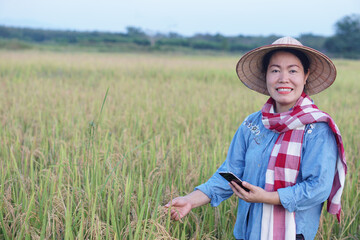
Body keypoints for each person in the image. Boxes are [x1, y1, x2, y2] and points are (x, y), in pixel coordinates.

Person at [164, 37, 347, 240]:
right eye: (275, 70)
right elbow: (230, 173)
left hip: (293, 233)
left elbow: (318, 188)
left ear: (306, 76)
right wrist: (190, 200)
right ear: (266, 76)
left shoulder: (317, 128)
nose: (283, 78)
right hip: (249, 231)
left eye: (293, 70)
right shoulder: (252, 124)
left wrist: (267, 198)